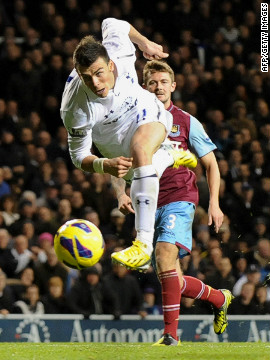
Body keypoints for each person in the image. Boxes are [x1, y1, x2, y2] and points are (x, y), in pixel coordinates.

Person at [112, 60, 233, 346]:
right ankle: (219, 297)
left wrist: (214, 203)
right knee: (172, 279)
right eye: (153, 82)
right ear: (145, 87)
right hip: (147, 205)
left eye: (163, 82)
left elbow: (211, 164)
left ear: (173, 86)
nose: (158, 87)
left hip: (180, 198)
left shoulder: (187, 121)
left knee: (166, 255)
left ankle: (170, 337)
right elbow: (116, 160)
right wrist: (120, 192)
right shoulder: (134, 121)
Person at [60, 17, 197, 270]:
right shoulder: (74, 108)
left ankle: (142, 244)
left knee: (140, 149)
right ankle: (167, 155)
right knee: (140, 171)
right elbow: (78, 157)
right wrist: (104, 164)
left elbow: (113, 23)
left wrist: (146, 44)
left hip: (144, 111)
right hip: (111, 140)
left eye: (100, 73)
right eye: (87, 77)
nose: (96, 83)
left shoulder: (119, 52)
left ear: (111, 64)